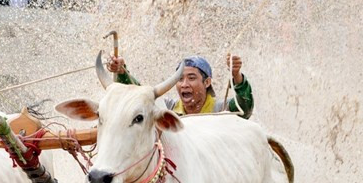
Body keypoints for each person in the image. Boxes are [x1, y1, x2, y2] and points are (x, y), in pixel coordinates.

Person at [107, 54, 255, 118]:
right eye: (180, 79)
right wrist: (121, 72)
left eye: (191, 78)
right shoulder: (168, 109)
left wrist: (236, 75)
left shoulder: (221, 109)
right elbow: (141, 97)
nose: (184, 85)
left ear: (207, 82)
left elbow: (244, 109)